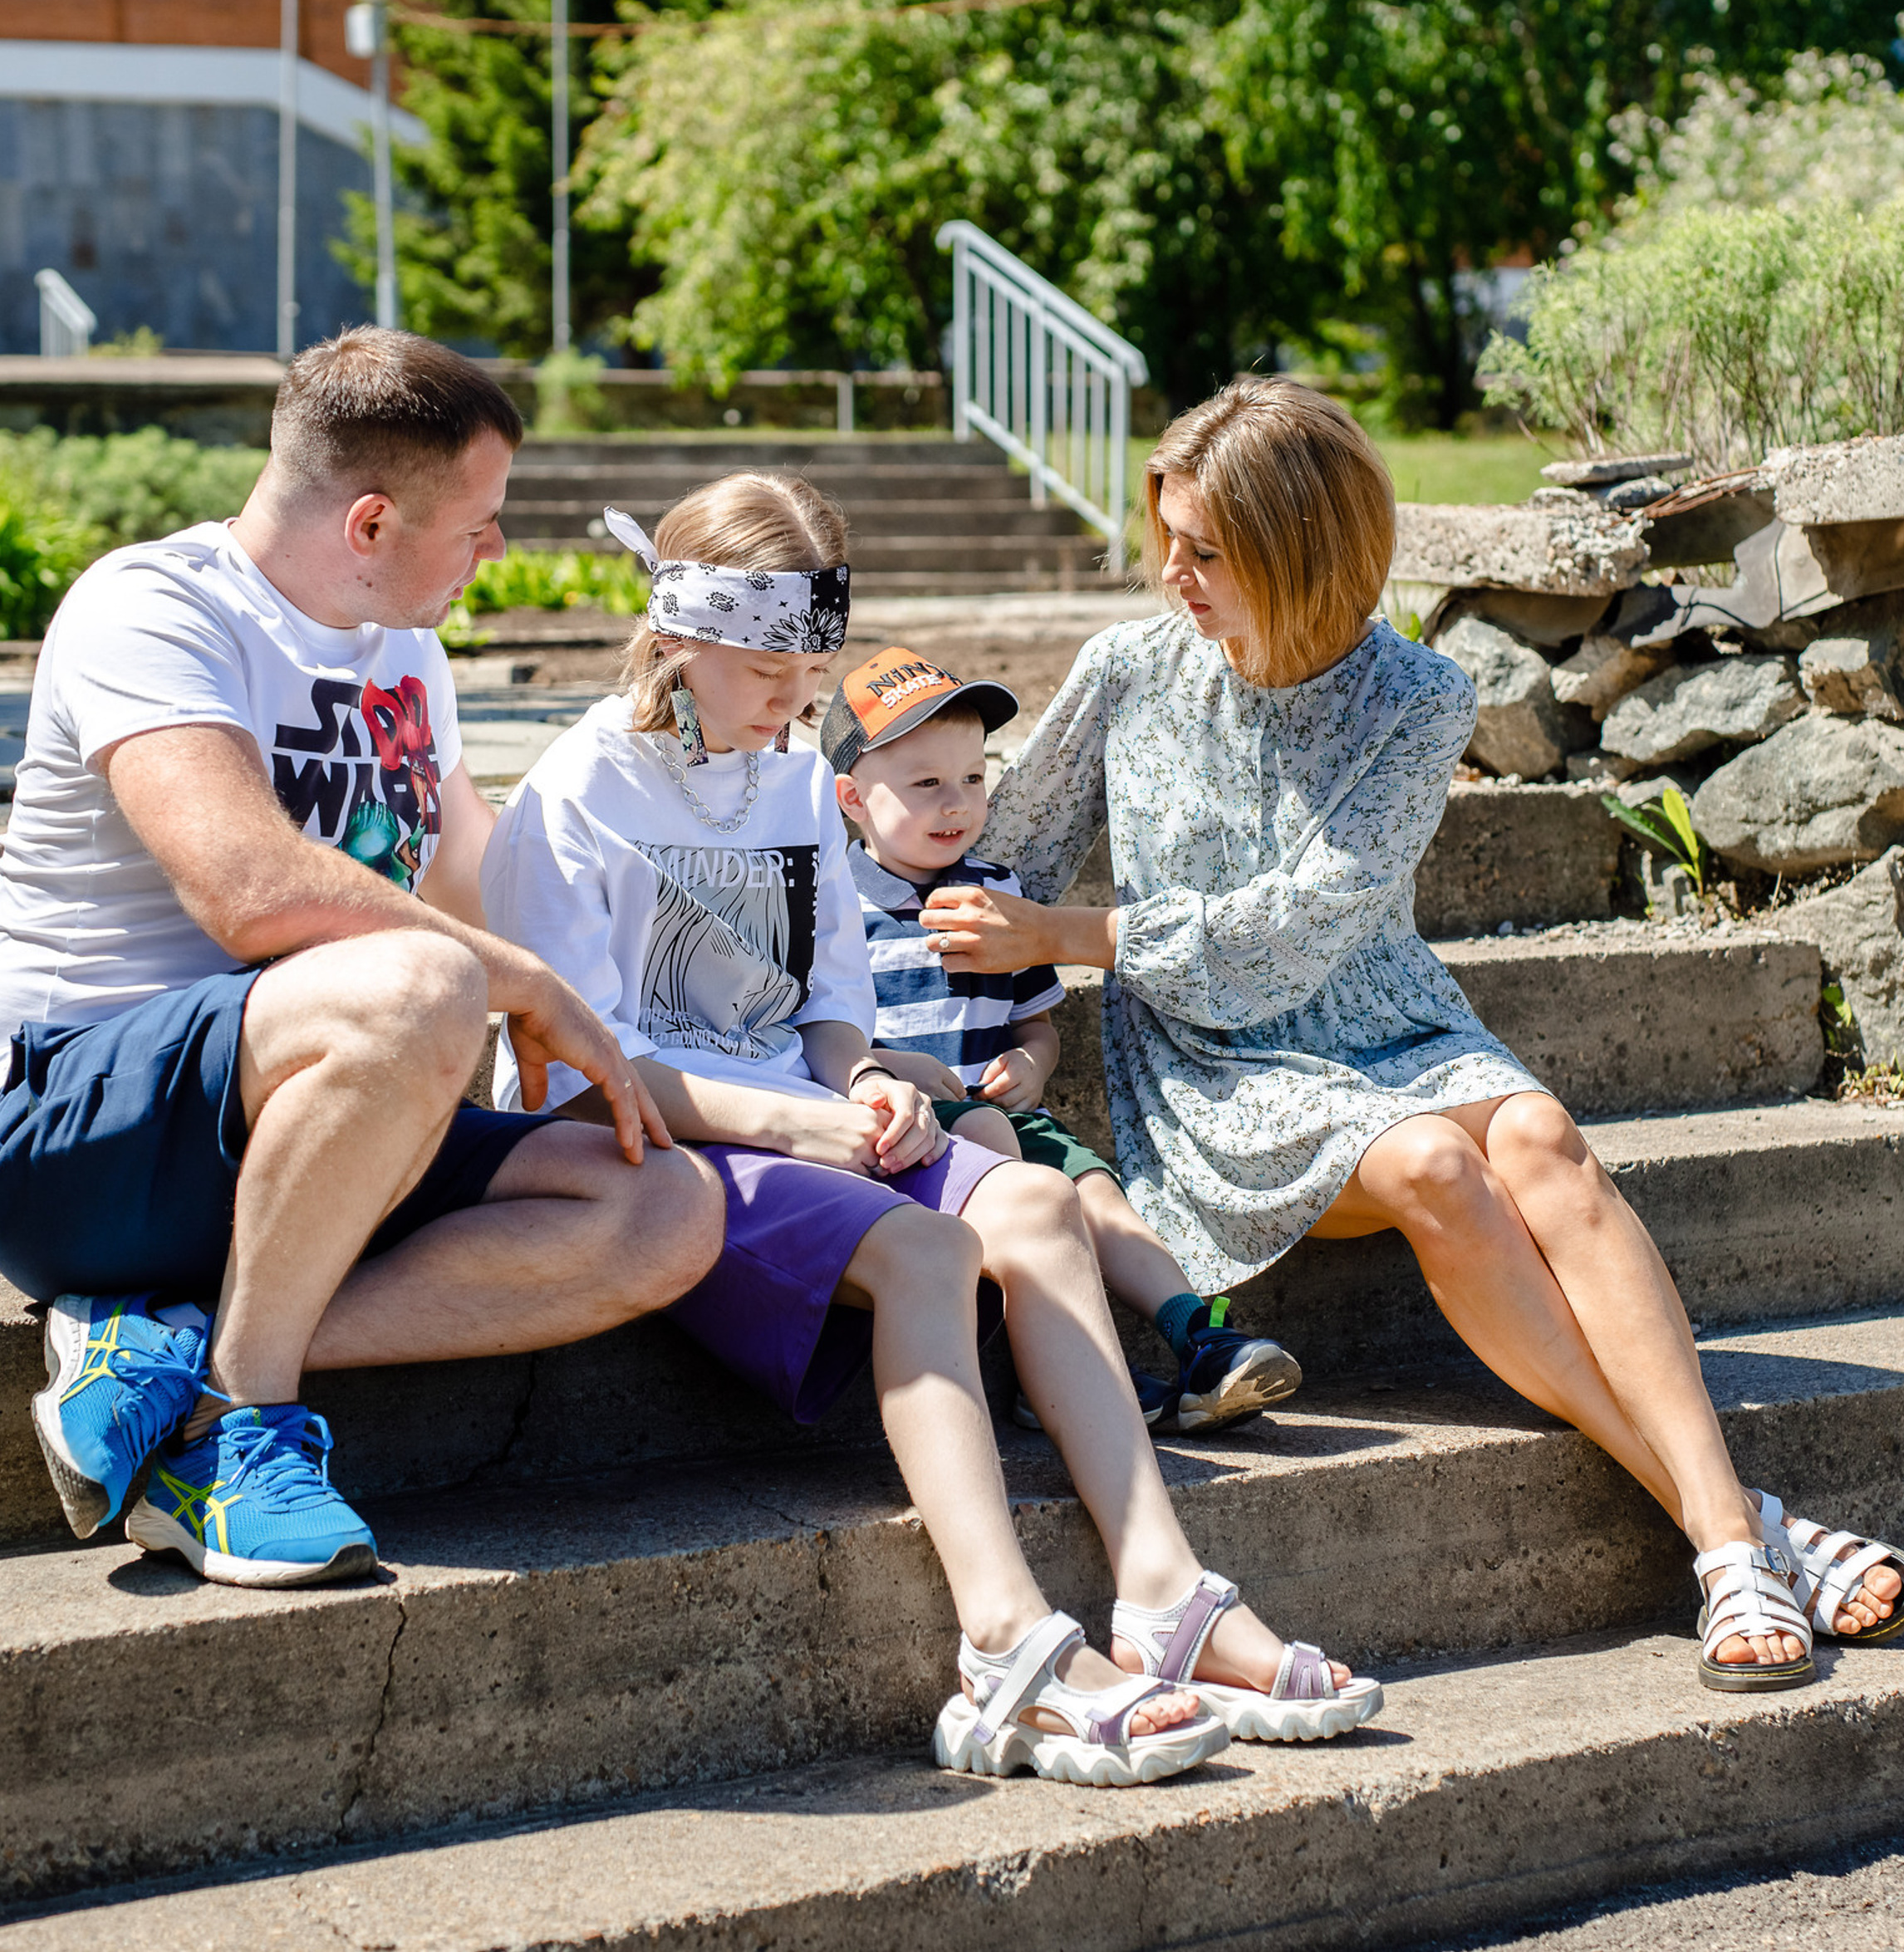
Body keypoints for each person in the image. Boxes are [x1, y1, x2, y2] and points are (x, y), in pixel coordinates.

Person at [918, 375, 1904, 1695]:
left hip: (1392, 1023)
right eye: (1167, 539)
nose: (1172, 574)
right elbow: (998, 851)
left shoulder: (1418, 696)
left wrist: (1067, 936)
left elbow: (1305, 924)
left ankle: (1733, 1540)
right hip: (1220, 1063)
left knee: (1542, 1137)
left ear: (1301, 549)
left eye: (1206, 552)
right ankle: (1740, 1534)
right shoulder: (1130, 671)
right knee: (1439, 1165)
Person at [478, 473, 1381, 1783]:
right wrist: (799, 1126)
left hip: (800, 1121)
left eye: (812, 671)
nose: (795, 702)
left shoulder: (794, 777)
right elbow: (577, 1072)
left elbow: (828, 1012)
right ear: (676, 638)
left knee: (1038, 1201)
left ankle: (1163, 1592)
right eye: (768, 671)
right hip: (660, 1146)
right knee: (930, 1249)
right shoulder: (578, 791)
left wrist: (861, 1083)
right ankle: (1002, 1641)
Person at [0, 328, 724, 1590]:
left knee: (665, 1209)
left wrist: (690, 864)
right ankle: (237, 1429)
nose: (496, 550)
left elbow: (475, 880)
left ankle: (175, 1346)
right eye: (480, 524)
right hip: (82, 1129)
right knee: (427, 981)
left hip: (329, 1122)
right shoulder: (152, 607)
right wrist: (517, 981)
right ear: (372, 523)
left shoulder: (406, 651)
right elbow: (249, 889)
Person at [823, 644, 1303, 1435]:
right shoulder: (836, 905)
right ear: (853, 798)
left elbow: (1035, 1024)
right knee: (1016, 1178)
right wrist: (885, 1065)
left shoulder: (998, 893)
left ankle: (1200, 1333)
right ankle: (1079, 1370)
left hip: (1006, 1119)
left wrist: (1031, 1063)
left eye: (973, 778)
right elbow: (816, 1035)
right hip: (905, 1134)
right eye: (926, 785)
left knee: (1095, 1194)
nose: (956, 804)